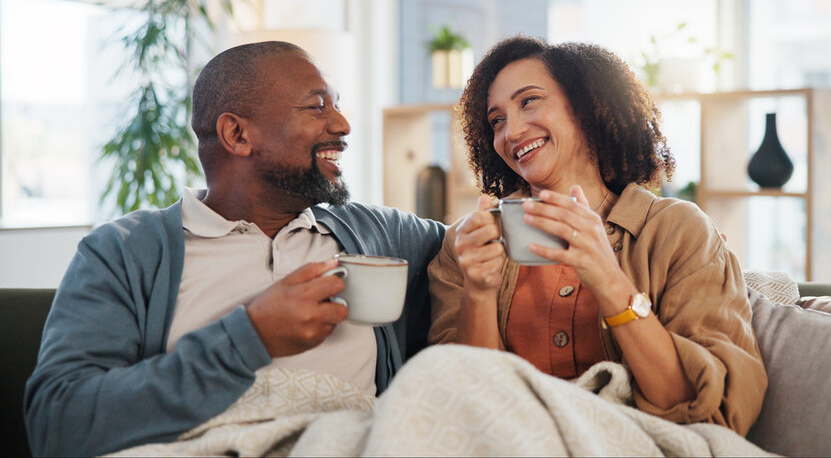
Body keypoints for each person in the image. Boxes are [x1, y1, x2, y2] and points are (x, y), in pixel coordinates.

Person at [24, 41, 446, 457]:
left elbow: (486, 242)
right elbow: (59, 424)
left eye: (336, 105)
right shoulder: (125, 252)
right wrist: (250, 336)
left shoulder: (379, 234)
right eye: (317, 107)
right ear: (237, 134)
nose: (342, 124)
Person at [427, 36, 766, 435]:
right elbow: (464, 410)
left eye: (529, 101)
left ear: (590, 107)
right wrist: (479, 293)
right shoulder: (466, 246)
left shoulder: (678, 231)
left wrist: (608, 278)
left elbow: (708, 411)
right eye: (496, 120)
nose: (512, 131)